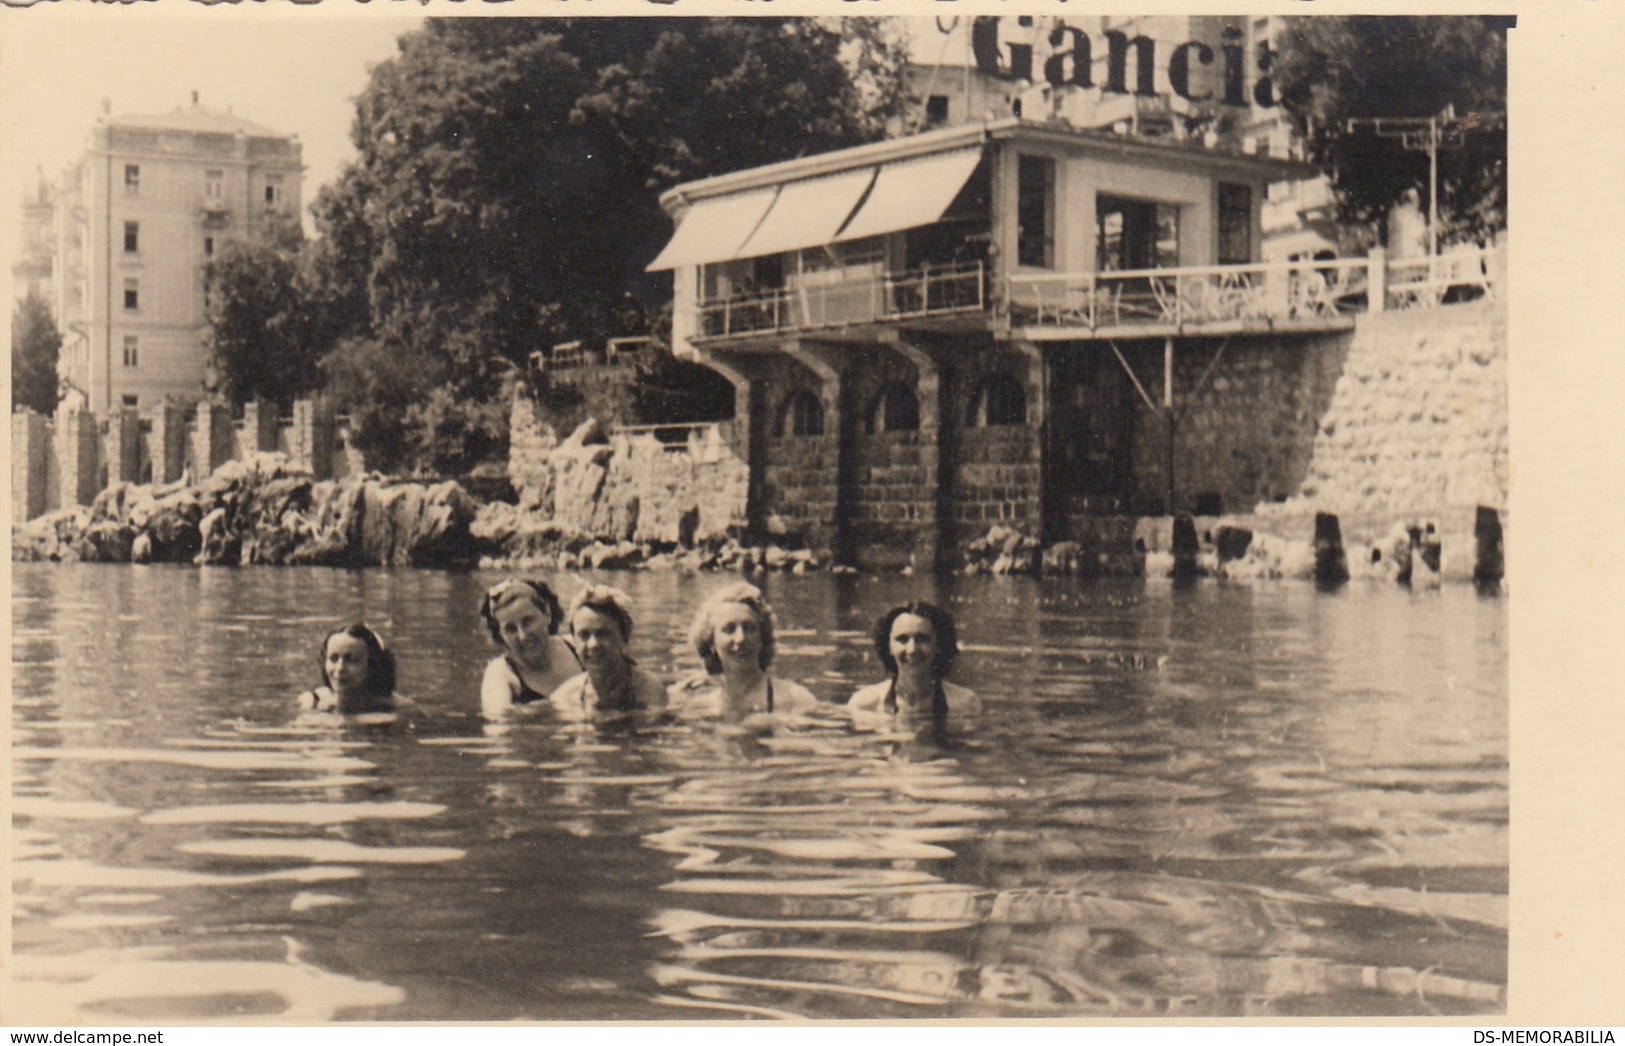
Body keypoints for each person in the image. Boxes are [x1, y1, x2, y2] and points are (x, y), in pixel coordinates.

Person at [671, 582, 819, 720]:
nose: (740, 639)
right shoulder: (702, 706)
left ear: (762, 638)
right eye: (729, 629)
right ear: (711, 642)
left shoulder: (795, 699)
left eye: (749, 628)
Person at [548, 584, 668, 719]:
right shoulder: (566, 696)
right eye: (584, 635)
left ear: (624, 637)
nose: (593, 644)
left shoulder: (647, 691)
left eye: (602, 633)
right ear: (574, 642)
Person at [849, 602, 980, 717]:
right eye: (902, 639)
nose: (912, 650)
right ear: (889, 646)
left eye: (922, 639)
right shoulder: (863, 705)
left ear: (938, 645)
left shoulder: (965, 705)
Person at [479, 578, 582, 717]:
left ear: (547, 614)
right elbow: (497, 726)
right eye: (510, 629)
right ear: (501, 636)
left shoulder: (577, 647)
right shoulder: (501, 672)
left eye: (528, 621)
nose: (523, 636)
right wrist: (563, 696)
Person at [298, 623, 399, 714]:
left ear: (372, 665)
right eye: (333, 659)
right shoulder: (313, 701)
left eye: (351, 660)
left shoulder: (393, 706)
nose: (340, 668)